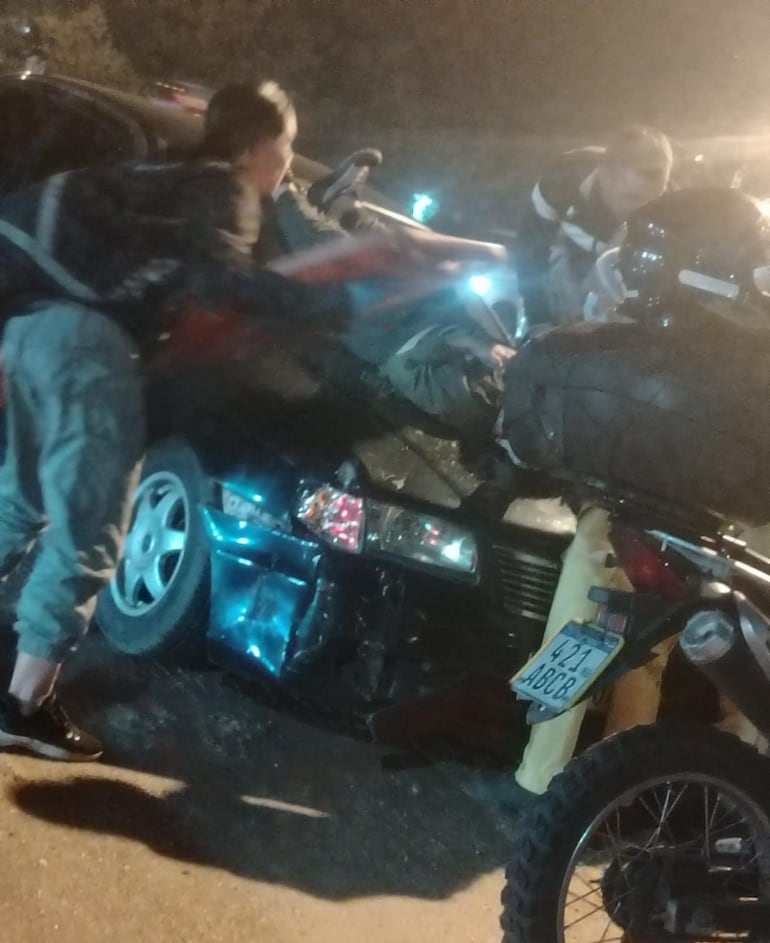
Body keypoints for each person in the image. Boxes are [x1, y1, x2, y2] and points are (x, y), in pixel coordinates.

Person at [0, 79, 354, 762]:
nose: (286, 164)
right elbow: (224, 280)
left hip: (31, 324)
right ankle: (22, 707)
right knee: (91, 530)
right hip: (87, 343)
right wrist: (329, 301)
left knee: (23, 494)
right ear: (258, 145)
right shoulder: (225, 188)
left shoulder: (160, 173)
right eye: (286, 146)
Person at [504, 186, 770, 804]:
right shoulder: (744, 362)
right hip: (721, 522)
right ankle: (743, 783)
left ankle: (545, 775)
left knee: (591, 616)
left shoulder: (599, 341)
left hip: (619, 517)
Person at [516, 124, 673, 330]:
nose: (644, 210)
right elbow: (529, 250)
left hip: (617, 287)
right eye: (633, 197)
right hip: (565, 269)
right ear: (604, 176)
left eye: (656, 198)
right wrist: (538, 321)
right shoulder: (562, 179)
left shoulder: (671, 205)